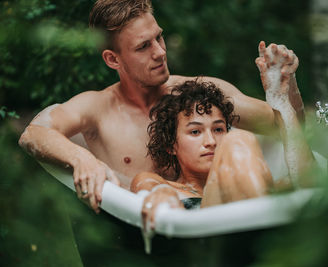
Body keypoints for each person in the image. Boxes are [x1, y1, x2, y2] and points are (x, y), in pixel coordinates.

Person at [18, 0, 304, 213]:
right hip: (154, 229)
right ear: (112, 60)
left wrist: (286, 86)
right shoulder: (98, 109)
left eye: (159, 37)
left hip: (217, 211)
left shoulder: (200, 96)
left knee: (238, 143)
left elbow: (290, 128)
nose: (160, 52)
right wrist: (82, 159)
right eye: (143, 47)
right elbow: (34, 133)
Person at [131, 43, 315, 230]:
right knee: (237, 140)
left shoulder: (261, 178)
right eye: (195, 132)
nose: (211, 142)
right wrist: (160, 193)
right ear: (171, 144)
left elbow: (310, 185)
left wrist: (282, 97)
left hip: (252, 229)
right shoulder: (165, 186)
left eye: (218, 130)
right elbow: (144, 184)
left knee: (238, 140)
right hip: (208, 243)